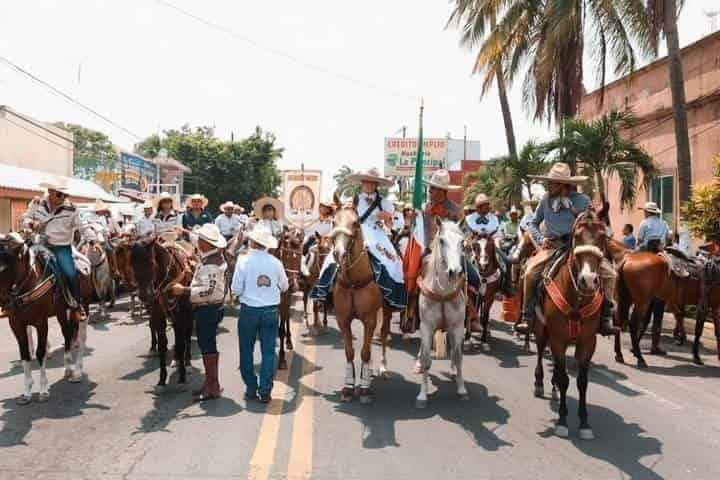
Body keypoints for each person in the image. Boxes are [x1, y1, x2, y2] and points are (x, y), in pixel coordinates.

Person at [515, 162, 618, 336]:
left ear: (564, 185)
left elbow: (592, 223)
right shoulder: (546, 199)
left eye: (553, 183)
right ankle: (527, 317)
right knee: (530, 272)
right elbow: (531, 223)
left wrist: (573, 210)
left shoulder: (583, 200)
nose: (549, 186)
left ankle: (606, 318)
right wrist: (541, 239)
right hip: (552, 246)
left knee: (610, 274)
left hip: (579, 247)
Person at [312, 168, 407, 310]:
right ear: (362, 183)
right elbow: (342, 216)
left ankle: (391, 298)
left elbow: (400, 222)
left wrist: (388, 218)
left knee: (395, 262)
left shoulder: (386, 203)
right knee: (331, 258)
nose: (368, 185)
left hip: (377, 235)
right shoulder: (351, 201)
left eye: (372, 182)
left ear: (376, 185)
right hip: (356, 233)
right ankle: (326, 291)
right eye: (366, 182)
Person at [168, 223, 227, 401]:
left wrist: (183, 290)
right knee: (207, 345)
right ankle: (210, 383)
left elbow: (207, 290)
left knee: (207, 346)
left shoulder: (211, 265)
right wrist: (184, 232)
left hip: (208, 308)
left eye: (201, 239)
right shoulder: (212, 255)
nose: (198, 241)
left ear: (207, 243)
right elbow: (194, 237)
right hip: (211, 307)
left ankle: (213, 387)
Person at [232, 224, 289, 404]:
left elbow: (235, 288)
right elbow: (285, 286)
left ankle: (251, 388)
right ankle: (265, 391)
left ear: (253, 242)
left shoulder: (243, 261)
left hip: (249, 310)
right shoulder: (276, 263)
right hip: (271, 310)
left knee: (246, 351)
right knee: (269, 352)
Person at [22, 179, 91, 321]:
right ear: (50, 192)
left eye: (65, 195)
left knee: (71, 273)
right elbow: (26, 218)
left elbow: (83, 226)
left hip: (61, 248)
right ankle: (8, 303)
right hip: (37, 245)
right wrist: (31, 224)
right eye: (60, 194)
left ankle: (77, 306)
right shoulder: (36, 204)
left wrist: (94, 240)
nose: (63, 198)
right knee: (15, 264)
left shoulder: (72, 209)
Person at [636, 201, 672, 355]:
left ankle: (636, 341)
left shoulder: (644, 223)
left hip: (645, 252)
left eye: (644, 211)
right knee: (658, 310)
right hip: (661, 254)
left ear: (647, 212)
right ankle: (655, 345)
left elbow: (639, 241)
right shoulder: (664, 223)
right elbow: (668, 238)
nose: (644, 213)